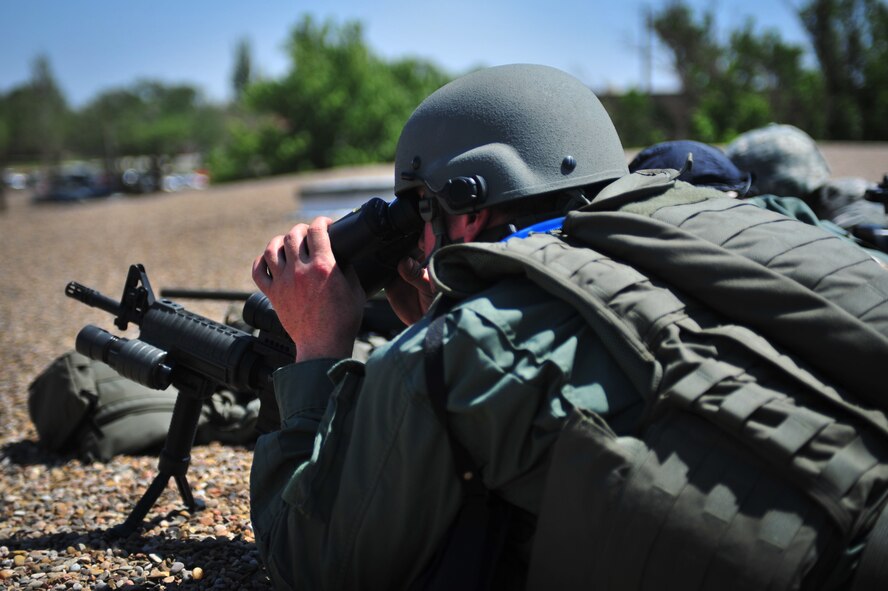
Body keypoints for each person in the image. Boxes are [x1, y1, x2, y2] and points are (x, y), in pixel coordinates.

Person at [249, 64, 888, 590]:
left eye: (419, 210)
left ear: (467, 213)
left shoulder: (460, 352)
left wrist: (317, 344)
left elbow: (312, 560)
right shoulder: (761, 217)